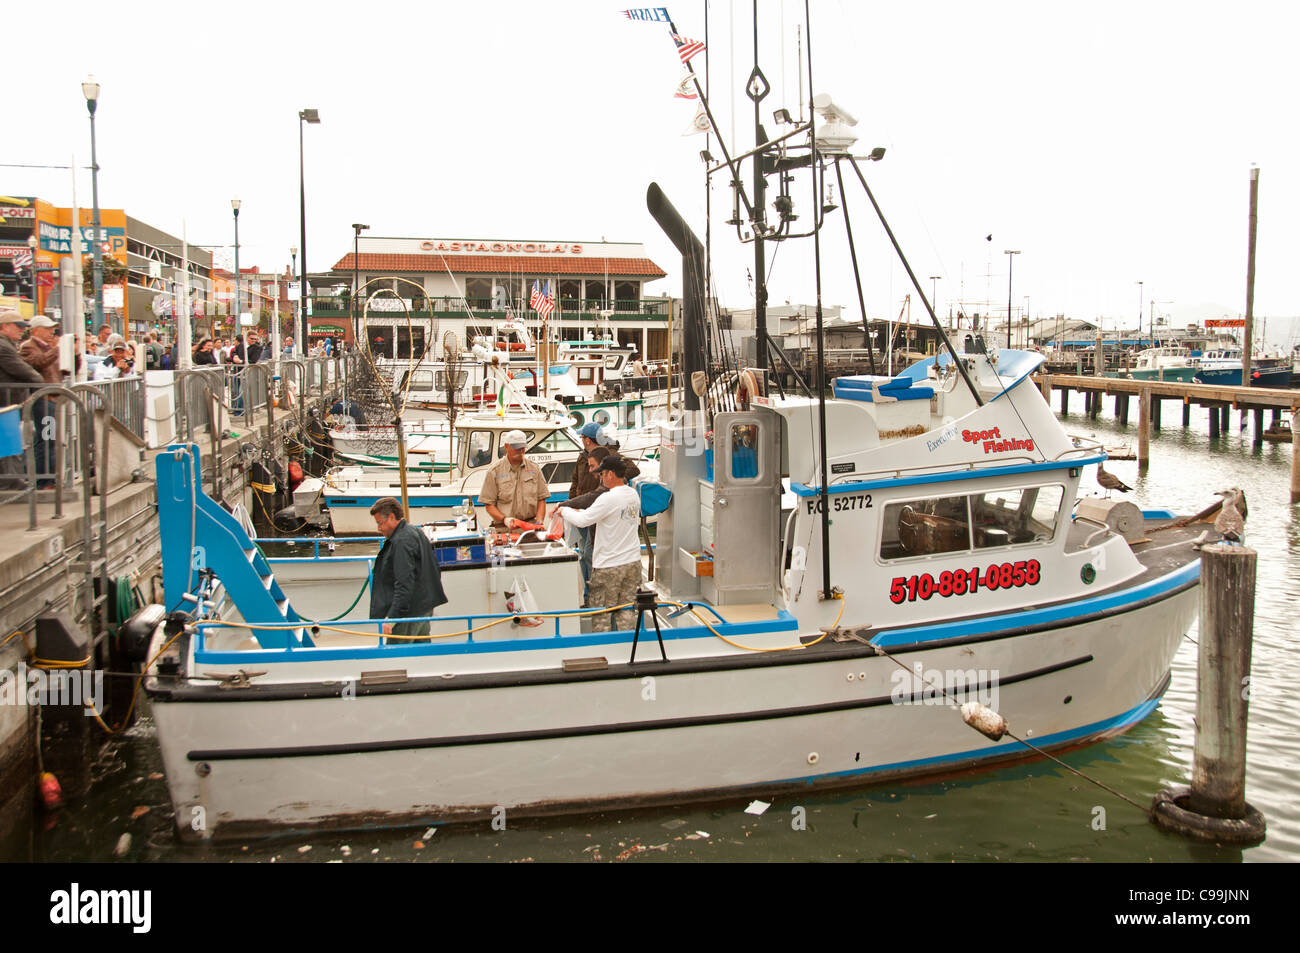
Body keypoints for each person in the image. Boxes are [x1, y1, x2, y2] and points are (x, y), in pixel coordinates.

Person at [559, 455, 642, 632]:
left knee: (602, 616)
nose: (600, 477)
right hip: (632, 563)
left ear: (611, 474)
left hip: (609, 567)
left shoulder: (608, 498)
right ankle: (626, 649)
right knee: (627, 612)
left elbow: (583, 520)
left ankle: (606, 653)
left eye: (602, 473)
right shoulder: (633, 495)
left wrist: (564, 509)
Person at [368, 497, 447, 642]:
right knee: (421, 651)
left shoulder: (401, 541)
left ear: (391, 517)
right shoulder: (416, 532)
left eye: (380, 523)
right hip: (424, 606)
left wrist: (392, 617)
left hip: (410, 611)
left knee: (397, 654)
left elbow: (404, 583)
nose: (379, 528)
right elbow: (434, 567)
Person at [0, 311, 44, 487]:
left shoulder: (8, 345)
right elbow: (24, 371)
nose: (21, 330)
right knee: (9, 441)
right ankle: (10, 482)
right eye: (17, 326)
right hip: (5, 403)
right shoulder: (3, 347)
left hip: (9, 402)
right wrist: (42, 386)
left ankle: (11, 480)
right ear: (4, 327)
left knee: (10, 441)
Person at [478, 429, 548, 530]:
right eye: (516, 448)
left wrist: (539, 521)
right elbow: (489, 505)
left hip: (530, 528)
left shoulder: (534, 469)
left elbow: (541, 499)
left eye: (522, 448)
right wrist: (505, 520)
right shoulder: (494, 471)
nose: (520, 451)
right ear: (506, 446)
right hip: (504, 529)